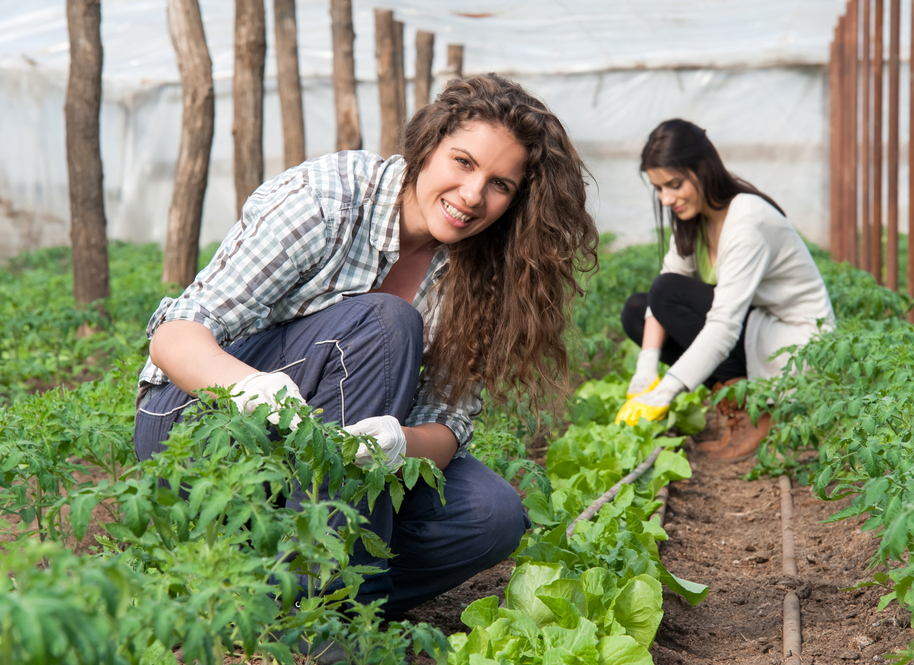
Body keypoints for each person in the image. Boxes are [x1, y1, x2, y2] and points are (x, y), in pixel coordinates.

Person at [134, 74, 598, 617]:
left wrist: (398, 442)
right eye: (463, 162)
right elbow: (175, 333)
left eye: (501, 185)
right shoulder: (329, 198)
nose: (473, 196)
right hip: (200, 429)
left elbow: (449, 422)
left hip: (323, 464)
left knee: (490, 515)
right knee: (386, 323)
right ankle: (338, 615)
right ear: (427, 145)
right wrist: (248, 387)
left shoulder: (486, 272)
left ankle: (273, 594)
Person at [616, 119, 834, 461]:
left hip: (794, 345)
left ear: (703, 170)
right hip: (755, 330)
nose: (666, 198)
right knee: (637, 311)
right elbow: (666, 284)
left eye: (673, 184)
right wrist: (646, 368)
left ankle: (754, 413)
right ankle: (735, 405)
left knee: (666, 293)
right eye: (659, 188)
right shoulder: (695, 219)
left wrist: (669, 389)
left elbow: (723, 324)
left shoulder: (747, 220)